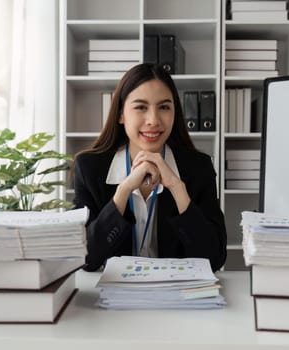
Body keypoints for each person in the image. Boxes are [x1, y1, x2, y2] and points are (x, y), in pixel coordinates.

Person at [73, 63, 227, 272]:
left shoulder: (198, 168)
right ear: (121, 114)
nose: (153, 120)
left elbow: (214, 259)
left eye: (164, 107)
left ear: (175, 113)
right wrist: (123, 191)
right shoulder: (90, 168)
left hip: (176, 294)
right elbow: (85, 259)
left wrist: (176, 187)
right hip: (115, 297)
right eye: (140, 107)